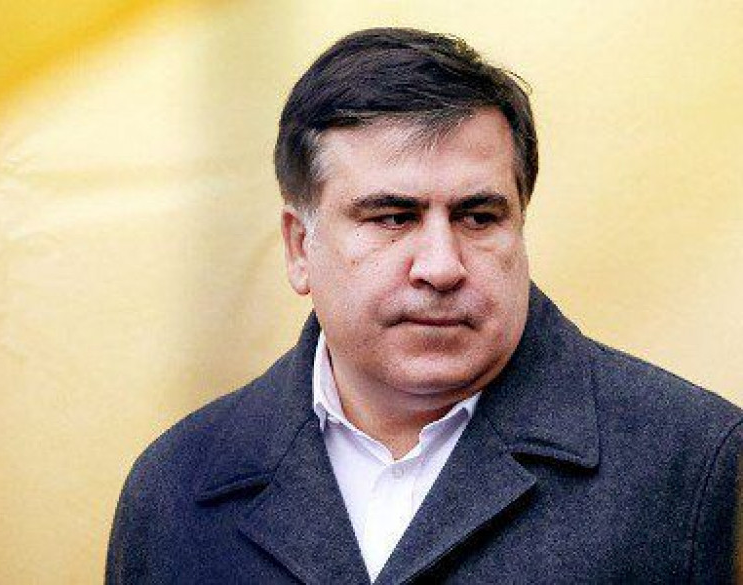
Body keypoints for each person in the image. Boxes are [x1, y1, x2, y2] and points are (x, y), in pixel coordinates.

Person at [106, 28, 742, 584]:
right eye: (392, 217)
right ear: (300, 246)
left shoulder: (701, 466)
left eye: (478, 216)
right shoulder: (177, 486)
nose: (441, 267)